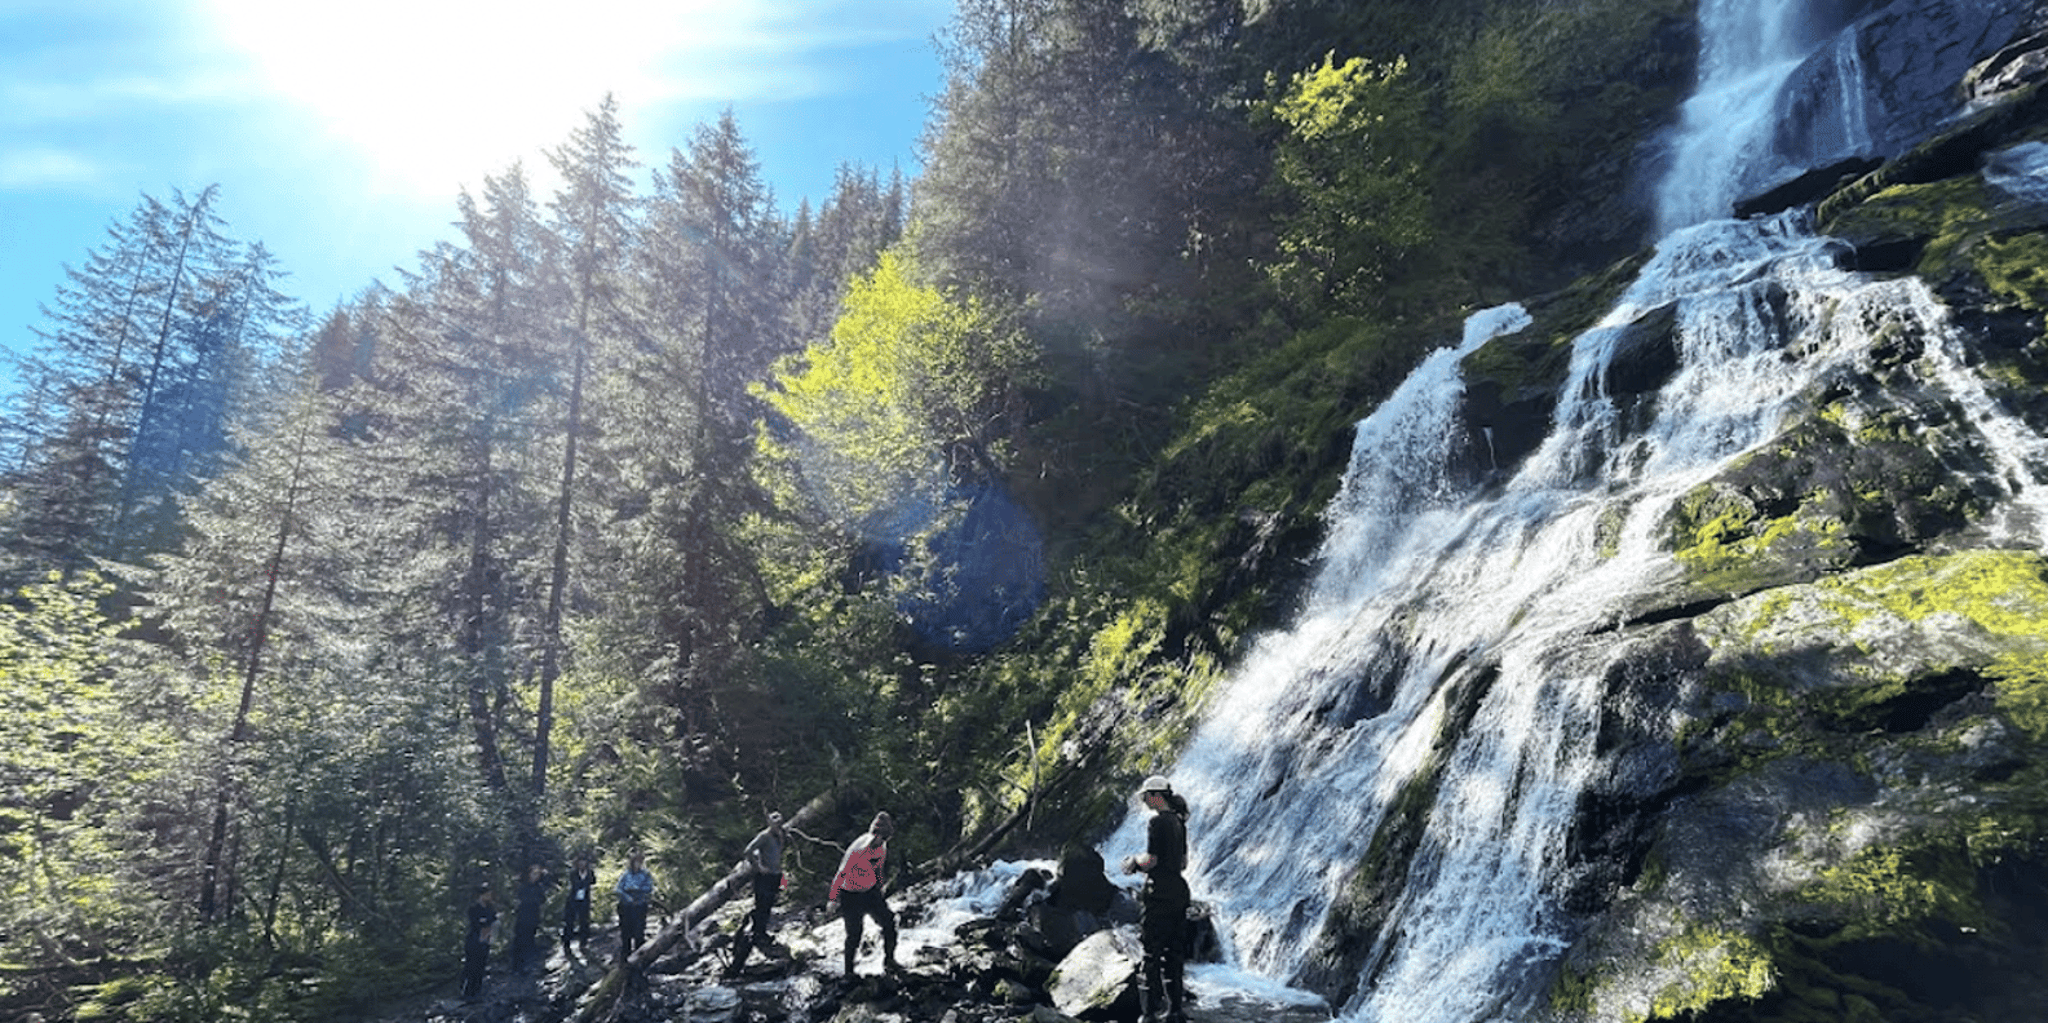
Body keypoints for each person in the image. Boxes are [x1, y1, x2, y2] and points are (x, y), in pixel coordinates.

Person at [1121, 775, 1191, 1023]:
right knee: (1175, 953)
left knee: (1151, 953)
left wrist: (1134, 863)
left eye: (1146, 797)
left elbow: (1152, 860)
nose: (1145, 801)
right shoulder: (1179, 822)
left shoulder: (1157, 822)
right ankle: (1175, 1011)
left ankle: (1148, 1014)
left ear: (1155, 796)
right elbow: (1183, 863)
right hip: (1179, 892)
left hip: (1159, 893)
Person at [827, 811, 900, 977]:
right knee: (854, 935)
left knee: (889, 923)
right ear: (874, 834)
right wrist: (832, 899)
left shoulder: (882, 846)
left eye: (884, 839)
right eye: (878, 838)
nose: (880, 842)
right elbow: (840, 874)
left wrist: (880, 887)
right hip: (850, 895)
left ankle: (889, 961)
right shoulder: (858, 850)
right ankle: (848, 973)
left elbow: (878, 867)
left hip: (870, 892)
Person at [725, 810, 789, 978]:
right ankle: (757, 933)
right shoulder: (764, 836)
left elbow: (781, 852)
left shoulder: (781, 835)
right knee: (762, 903)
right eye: (775, 822)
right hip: (764, 876)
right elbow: (748, 850)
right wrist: (758, 866)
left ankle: (762, 931)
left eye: (780, 822)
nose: (778, 825)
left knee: (769, 904)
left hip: (776, 875)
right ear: (769, 822)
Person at [615, 852, 656, 961]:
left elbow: (649, 888)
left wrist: (637, 889)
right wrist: (628, 896)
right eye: (636, 861)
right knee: (625, 932)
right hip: (626, 906)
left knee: (639, 932)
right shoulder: (625, 874)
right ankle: (625, 957)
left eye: (640, 861)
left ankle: (640, 956)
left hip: (640, 905)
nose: (638, 864)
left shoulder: (646, 874)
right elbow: (618, 889)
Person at [510, 862, 550, 974]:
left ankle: (527, 966)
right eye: (534, 873)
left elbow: (542, 899)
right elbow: (521, 899)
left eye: (538, 874)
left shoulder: (539, 886)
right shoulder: (523, 886)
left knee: (530, 941)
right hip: (523, 918)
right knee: (519, 941)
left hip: (533, 918)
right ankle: (517, 967)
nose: (536, 876)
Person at [461, 884, 497, 1001]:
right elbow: (476, 923)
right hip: (474, 940)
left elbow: (492, 921)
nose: (489, 897)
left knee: (481, 966)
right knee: (471, 966)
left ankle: (477, 992)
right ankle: (467, 992)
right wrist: (485, 922)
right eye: (487, 894)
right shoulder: (474, 909)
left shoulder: (490, 908)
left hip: (485, 940)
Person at [562, 854, 597, 958]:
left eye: (584, 861)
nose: (582, 864)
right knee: (569, 922)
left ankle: (583, 943)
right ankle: (566, 944)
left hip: (584, 900)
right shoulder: (573, 873)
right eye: (580, 862)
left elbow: (593, 881)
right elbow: (575, 883)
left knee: (584, 921)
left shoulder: (589, 872)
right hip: (573, 901)